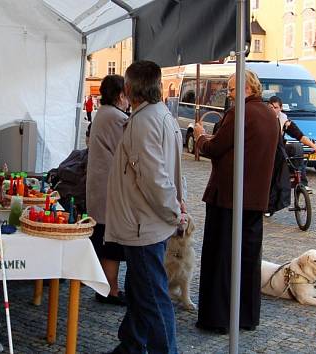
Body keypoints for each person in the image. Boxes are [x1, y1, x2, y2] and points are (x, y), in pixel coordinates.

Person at [105, 61, 186, 354]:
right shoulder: (160, 115)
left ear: (128, 89)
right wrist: (178, 204)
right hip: (147, 223)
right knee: (143, 293)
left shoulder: (143, 121)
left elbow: (155, 178)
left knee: (152, 297)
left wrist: (174, 210)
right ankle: (130, 345)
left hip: (144, 226)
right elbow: (172, 170)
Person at [193, 70, 278, 334]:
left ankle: (217, 318)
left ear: (247, 88)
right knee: (248, 260)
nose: (229, 95)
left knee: (221, 258)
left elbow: (214, 148)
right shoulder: (270, 115)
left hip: (228, 198)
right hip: (255, 200)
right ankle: (246, 317)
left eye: (231, 89)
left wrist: (199, 136)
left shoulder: (239, 113)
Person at [86, 74, 129, 306]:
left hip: (100, 186)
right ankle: (110, 290)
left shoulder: (102, 114)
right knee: (111, 243)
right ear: (120, 94)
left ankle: (107, 287)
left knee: (106, 240)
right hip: (109, 189)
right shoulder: (116, 117)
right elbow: (126, 150)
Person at [268, 96, 316, 188]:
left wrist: (314, 146)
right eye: (270, 108)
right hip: (267, 151)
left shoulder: (284, 120)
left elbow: (300, 136)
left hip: (279, 150)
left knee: (296, 147)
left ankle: (302, 182)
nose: (273, 110)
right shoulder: (264, 118)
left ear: (281, 108)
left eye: (276, 107)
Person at [50, 124, 91, 215]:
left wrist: (64, 195)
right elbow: (59, 169)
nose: (88, 137)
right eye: (87, 134)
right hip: (55, 197)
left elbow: (81, 188)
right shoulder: (77, 153)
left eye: (91, 135)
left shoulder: (94, 162)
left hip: (69, 204)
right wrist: (52, 174)